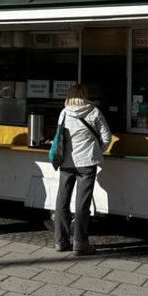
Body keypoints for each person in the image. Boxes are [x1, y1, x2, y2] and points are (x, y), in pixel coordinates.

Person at [54, 83, 112, 256]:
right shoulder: (94, 112)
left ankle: (60, 241)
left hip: (66, 163)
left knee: (62, 202)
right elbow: (107, 137)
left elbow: (59, 137)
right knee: (82, 204)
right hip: (87, 164)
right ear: (85, 94)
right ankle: (80, 244)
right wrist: (96, 152)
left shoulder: (64, 113)